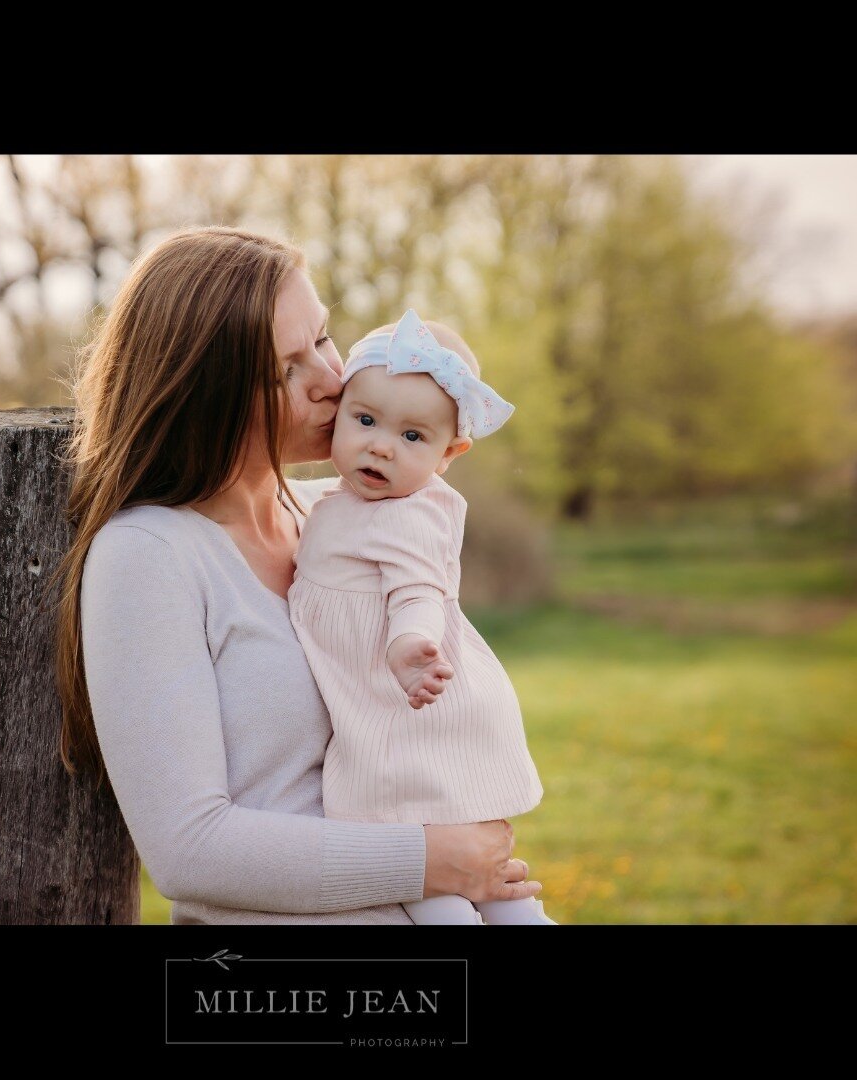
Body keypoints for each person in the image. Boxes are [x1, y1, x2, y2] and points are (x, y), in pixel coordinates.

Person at [50, 225, 544, 924]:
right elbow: (188, 848)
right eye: (286, 369)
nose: (331, 380)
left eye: (324, 339)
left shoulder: (339, 516)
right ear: (205, 396)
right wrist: (436, 859)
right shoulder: (152, 556)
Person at [288, 309, 557, 925]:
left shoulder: (411, 513)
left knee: (435, 880)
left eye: (413, 437)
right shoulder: (339, 501)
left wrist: (410, 645)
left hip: (406, 720)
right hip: (405, 722)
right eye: (364, 420)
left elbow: (419, 587)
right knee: (489, 888)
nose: (381, 445)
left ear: (449, 453)